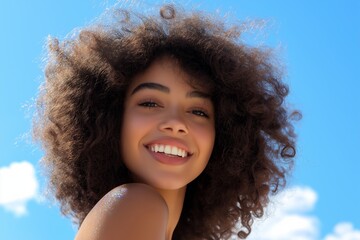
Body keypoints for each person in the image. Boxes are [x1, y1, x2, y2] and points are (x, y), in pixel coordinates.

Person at [34, 4, 299, 240]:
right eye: (150, 103)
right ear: (112, 120)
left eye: (198, 111)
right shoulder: (136, 204)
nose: (176, 123)